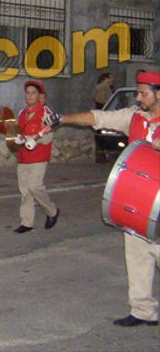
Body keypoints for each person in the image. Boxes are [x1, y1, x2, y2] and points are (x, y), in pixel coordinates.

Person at [47, 70, 160, 327]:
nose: (138, 97)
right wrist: (62, 118)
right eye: (138, 93)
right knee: (137, 256)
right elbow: (98, 117)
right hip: (138, 202)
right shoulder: (134, 116)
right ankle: (143, 311)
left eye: (144, 93)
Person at [12, 80, 59, 233]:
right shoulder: (22, 113)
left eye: (33, 92)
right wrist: (17, 139)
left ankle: (52, 211)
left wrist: (33, 139)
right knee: (25, 190)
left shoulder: (46, 113)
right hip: (23, 156)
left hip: (38, 156)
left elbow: (48, 136)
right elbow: (18, 132)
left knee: (34, 186)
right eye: (28, 93)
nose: (30, 96)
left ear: (40, 95)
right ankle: (27, 222)